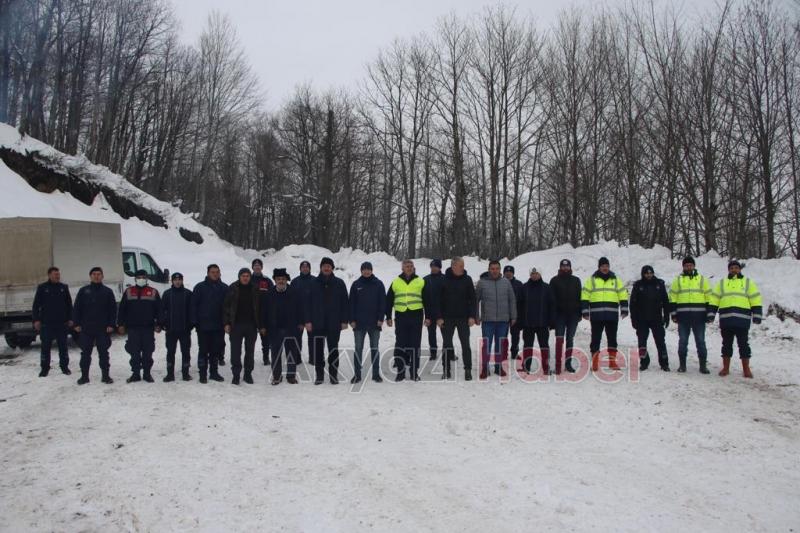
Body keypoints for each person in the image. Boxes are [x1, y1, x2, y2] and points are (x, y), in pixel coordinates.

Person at [708, 260, 762, 378]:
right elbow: (715, 299)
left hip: (742, 321)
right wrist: (711, 314)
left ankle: (746, 369)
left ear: (740, 269)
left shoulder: (748, 283)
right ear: (729, 270)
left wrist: (757, 315)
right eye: (732, 268)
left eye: (736, 268)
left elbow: (755, 299)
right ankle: (726, 368)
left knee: (743, 345)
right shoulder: (722, 283)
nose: (734, 270)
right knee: (726, 345)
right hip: (726, 320)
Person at [306, 257, 349, 385]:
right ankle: (319, 375)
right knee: (318, 350)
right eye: (324, 266)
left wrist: (344, 320)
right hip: (317, 322)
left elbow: (345, 303)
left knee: (333, 350)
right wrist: (308, 321)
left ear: (332, 268)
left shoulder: (339, 283)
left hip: (334, 323)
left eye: (329, 266)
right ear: (320, 267)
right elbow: (307, 304)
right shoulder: (313, 283)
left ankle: (333, 375)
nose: (326, 268)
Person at [581, 257, 628, 371]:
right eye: (602, 266)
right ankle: (595, 362)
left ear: (609, 267)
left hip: (612, 316)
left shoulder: (616, 280)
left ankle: (612, 362)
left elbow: (623, 294)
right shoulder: (591, 280)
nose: (605, 268)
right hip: (596, 316)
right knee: (595, 339)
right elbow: (585, 296)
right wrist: (585, 311)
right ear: (599, 267)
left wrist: (624, 309)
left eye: (606, 266)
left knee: (612, 339)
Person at [72, 267, 117, 385]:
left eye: (99, 274)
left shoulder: (107, 292)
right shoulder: (83, 291)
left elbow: (113, 310)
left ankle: (106, 376)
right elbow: (77, 308)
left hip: (103, 328)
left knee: (103, 353)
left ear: (102, 276)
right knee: (85, 353)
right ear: (90, 276)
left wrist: (111, 324)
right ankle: (84, 376)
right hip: (86, 328)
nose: (96, 276)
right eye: (94, 274)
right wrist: (76, 323)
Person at [668, 256, 712, 373]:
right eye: (686, 265)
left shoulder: (702, 279)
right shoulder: (678, 280)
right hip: (683, 317)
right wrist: (673, 314)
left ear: (694, 266)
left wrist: (709, 314)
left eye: (690, 265)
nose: (688, 267)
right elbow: (673, 298)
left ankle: (703, 366)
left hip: (699, 317)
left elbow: (708, 297)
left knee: (701, 341)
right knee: (683, 341)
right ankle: (682, 365)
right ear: (683, 267)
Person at [386, 259, 427, 381]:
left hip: (416, 316)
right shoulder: (396, 282)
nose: (409, 268)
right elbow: (388, 301)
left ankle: (414, 372)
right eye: (406, 266)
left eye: (411, 266)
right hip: (401, 316)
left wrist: (429, 316)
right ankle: (400, 372)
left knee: (415, 344)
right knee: (400, 344)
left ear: (413, 268)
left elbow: (428, 301)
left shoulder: (420, 281)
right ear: (402, 269)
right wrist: (388, 316)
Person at [436, 257, 476, 381]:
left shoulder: (467, 279)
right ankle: (446, 370)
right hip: (447, 319)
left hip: (463, 318)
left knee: (466, 344)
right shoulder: (443, 280)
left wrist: (472, 316)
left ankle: (468, 369)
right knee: (447, 344)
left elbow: (472, 300)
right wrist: (439, 317)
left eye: (463, 265)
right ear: (453, 266)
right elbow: (437, 301)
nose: (462, 268)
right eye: (460, 266)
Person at [261, 268, 304, 385]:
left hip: (291, 327)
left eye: (283, 279)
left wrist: (301, 322)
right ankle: (276, 376)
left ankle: (291, 376)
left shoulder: (294, 292)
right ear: (274, 280)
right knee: (275, 353)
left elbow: (300, 309)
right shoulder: (269, 293)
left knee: (291, 352)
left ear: (287, 280)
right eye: (278, 279)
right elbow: (263, 311)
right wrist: (263, 326)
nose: (281, 281)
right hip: (274, 328)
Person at [118, 269, 161, 383]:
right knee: (134, 352)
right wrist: (120, 324)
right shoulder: (128, 291)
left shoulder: (153, 292)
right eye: (138, 277)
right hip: (133, 328)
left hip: (148, 328)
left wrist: (159, 324)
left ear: (146, 278)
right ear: (135, 279)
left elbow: (159, 310)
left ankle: (147, 374)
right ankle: (135, 374)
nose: (141, 279)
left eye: (143, 277)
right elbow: (122, 309)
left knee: (148, 352)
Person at [476, 260, 517, 379]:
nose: (494, 271)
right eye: (492, 268)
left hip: (503, 320)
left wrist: (513, 316)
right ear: (489, 269)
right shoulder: (482, 283)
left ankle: (498, 366)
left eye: (497, 268)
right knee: (486, 345)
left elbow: (512, 300)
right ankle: (485, 367)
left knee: (500, 345)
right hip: (488, 320)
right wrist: (476, 316)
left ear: (500, 269)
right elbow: (475, 300)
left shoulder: (506, 282)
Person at [349, 262, 386, 383]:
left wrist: (381, 318)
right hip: (359, 324)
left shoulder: (378, 284)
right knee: (358, 349)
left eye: (368, 269)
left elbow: (382, 303)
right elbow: (351, 304)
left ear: (372, 270)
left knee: (374, 348)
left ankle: (376, 374)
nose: (366, 271)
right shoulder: (356, 285)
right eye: (364, 269)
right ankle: (357, 375)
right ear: (361, 271)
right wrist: (352, 320)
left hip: (375, 323)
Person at [32, 266, 73, 377]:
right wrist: (36, 320)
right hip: (46, 323)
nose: (57, 276)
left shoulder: (63, 288)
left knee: (63, 347)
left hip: (61, 323)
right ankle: (44, 368)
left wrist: (70, 318)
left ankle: (64, 367)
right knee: (45, 347)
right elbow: (36, 306)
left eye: (58, 274)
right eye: (55, 274)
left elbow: (69, 305)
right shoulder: (42, 288)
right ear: (49, 275)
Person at [223, 268, 261, 385]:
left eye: (247, 276)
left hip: (251, 325)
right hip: (236, 325)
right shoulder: (232, 288)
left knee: (250, 351)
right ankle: (236, 374)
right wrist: (226, 323)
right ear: (239, 276)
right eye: (243, 276)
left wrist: (260, 324)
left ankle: (248, 374)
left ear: (250, 277)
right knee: (235, 352)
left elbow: (260, 307)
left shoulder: (255, 288)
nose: (245, 278)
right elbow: (226, 307)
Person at [192, 264, 228, 383]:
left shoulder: (224, 288)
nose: (215, 274)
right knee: (203, 350)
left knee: (215, 350)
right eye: (213, 272)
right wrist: (195, 322)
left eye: (217, 272)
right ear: (208, 273)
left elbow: (227, 307)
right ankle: (202, 373)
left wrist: (226, 322)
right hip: (203, 326)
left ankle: (214, 372)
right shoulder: (199, 287)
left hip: (218, 326)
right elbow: (194, 306)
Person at [630, 266, 670, 372]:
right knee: (642, 342)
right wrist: (633, 319)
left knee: (660, 341)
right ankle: (644, 362)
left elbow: (666, 302)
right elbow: (632, 304)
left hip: (656, 318)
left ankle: (664, 363)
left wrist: (666, 316)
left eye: (650, 273)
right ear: (643, 274)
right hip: (641, 319)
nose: (649, 275)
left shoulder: (659, 284)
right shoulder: (638, 285)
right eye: (646, 273)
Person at [519, 268, 556, 374]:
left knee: (544, 346)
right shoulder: (524, 288)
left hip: (542, 323)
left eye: (536, 273)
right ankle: (526, 367)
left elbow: (552, 305)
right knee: (527, 346)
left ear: (540, 274)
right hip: (528, 324)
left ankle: (546, 367)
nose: (534, 275)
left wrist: (552, 321)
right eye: (532, 273)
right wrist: (520, 321)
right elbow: (520, 305)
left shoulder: (547, 288)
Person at [549, 259, 582, 373]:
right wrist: (552, 317)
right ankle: (558, 365)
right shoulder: (554, 280)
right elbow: (551, 300)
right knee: (559, 339)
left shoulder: (576, 280)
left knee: (570, 339)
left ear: (570, 267)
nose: (565, 268)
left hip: (573, 315)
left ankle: (568, 363)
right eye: (563, 266)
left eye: (567, 266)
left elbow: (580, 297)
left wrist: (580, 313)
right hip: (559, 315)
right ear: (560, 267)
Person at [160, 272, 193, 382]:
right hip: (171, 330)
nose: (177, 282)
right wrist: (163, 323)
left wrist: (191, 324)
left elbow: (192, 311)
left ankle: (185, 373)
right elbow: (162, 311)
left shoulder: (188, 294)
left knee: (186, 352)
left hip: (184, 329)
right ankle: (170, 374)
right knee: (170, 352)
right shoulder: (167, 294)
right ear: (172, 281)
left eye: (179, 280)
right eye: (175, 280)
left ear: (182, 280)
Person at [291, 260, 316, 364]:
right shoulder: (295, 281)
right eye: (303, 267)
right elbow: (291, 300)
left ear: (309, 268)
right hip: (298, 316)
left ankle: (313, 358)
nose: (305, 269)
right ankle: (297, 358)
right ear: (300, 268)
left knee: (313, 339)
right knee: (297, 339)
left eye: (307, 267)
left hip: (312, 316)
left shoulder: (315, 281)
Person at [251, 258, 274, 366]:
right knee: (250, 339)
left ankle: (266, 357)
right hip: (250, 313)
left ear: (262, 267)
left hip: (264, 312)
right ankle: (249, 358)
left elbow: (273, 296)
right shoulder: (247, 278)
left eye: (259, 265)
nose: (257, 267)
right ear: (252, 267)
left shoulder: (267, 281)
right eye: (255, 265)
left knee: (265, 338)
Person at [423, 259, 445, 361]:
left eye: (436, 266)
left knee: (446, 335)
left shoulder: (446, 279)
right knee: (431, 334)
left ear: (439, 267)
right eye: (432, 266)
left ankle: (450, 352)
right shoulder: (426, 279)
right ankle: (433, 353)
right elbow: (424, 299)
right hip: (430, 312)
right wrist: (426, 316)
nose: (433, 268)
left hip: (443, 313)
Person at [503, 265, 524, 360]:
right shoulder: (499, 282)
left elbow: (523, 299)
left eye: (510, 271)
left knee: (515, 335)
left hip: (515, 314)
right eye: (506, 271)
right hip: (502, 314)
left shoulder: (519, 284)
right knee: (503, 335)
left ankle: (514, 352)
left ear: (513, 273)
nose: (508, 273)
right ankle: (503, 353)